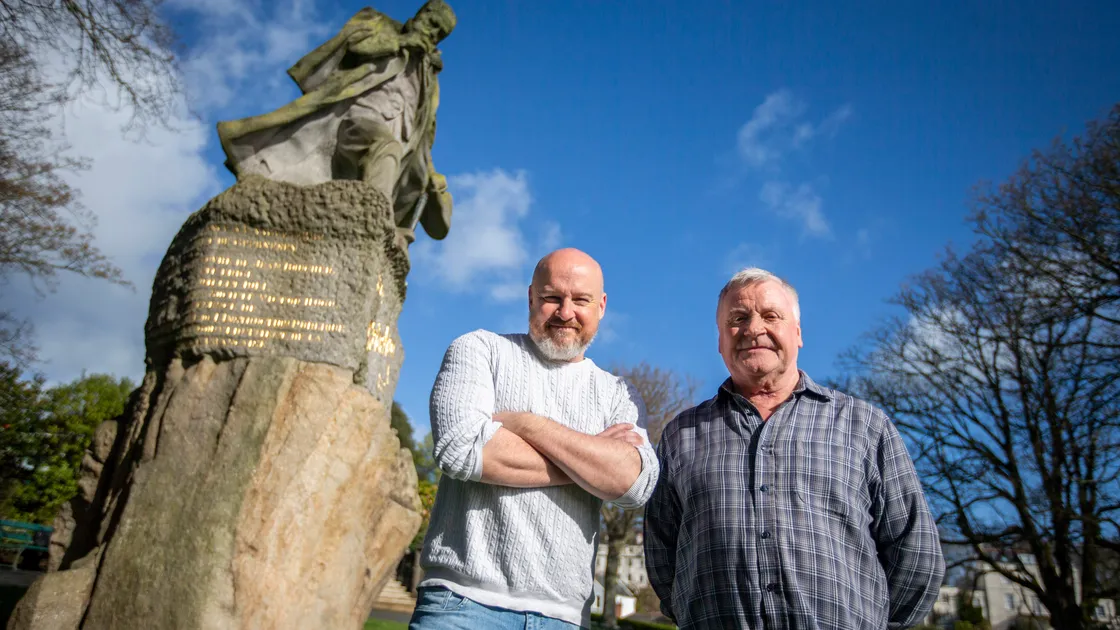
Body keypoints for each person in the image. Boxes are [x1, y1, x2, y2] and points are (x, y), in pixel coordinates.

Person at [643, 267, 944, 629]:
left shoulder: (864, 425)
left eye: (771, 316)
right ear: (720, 340)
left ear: (797, 333)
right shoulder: (682, 434)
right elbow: (662, 553)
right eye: (738, 319)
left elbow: (916, 550)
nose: (754, 329)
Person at [410, 248, 660, 630]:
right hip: (460, 605)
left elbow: (634, 484)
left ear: (602, 306)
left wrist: (526, 425)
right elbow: (460, 448)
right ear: (530, 297)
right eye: (551, 298)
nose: (565, 312)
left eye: (581, 300)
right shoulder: (479, 350)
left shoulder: (618, 393)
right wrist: (591, 460)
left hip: (563, 619)